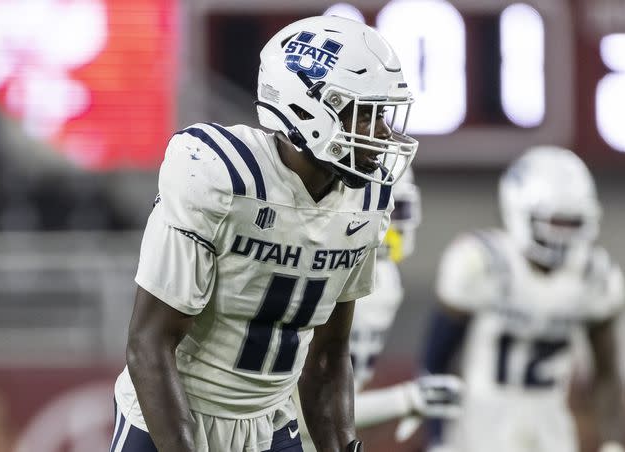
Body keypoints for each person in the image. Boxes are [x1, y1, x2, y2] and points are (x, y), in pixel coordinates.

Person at [112, 15, 419, 452]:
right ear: (311, 110)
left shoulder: (365, 202)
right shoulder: (220, 177)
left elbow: (329, 356)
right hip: (172, 412)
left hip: (269, 422)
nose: (383, 133)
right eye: (367, 115)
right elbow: (149, 344)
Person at [423, 146, 625, 452]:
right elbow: (435, 362)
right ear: (519, 210)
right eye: (554, 223)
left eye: (572, 224)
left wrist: (613, 443)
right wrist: (438, 438)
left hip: (551, 430)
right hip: (479, 428)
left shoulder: (594, 275)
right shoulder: (482, 262)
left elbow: (607, 373)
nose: (563, 236)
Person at [295, 169, 462, 452]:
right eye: (381, 207)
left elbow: (339, 395)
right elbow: (294, 408)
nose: (390, 224)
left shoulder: (386, 281)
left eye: (398, 209)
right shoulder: (315, 273)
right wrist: (405, 400)